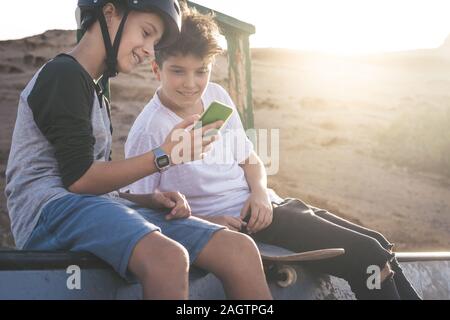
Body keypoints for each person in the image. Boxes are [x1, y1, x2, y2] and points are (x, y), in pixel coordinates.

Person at [124, 6, 422, 300]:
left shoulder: (215, 96)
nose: (191, 84)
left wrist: (260, 192)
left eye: (201, 71)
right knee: (367, 256)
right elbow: (141, 207)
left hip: (269, 205)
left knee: (380, 244)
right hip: (245, 225)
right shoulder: (151, 128)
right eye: (178, 71)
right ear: (156, 69)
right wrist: (207, 220)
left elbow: (250, 158)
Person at [5, 0, 272, 300]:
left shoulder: (95, 90)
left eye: (154, 41)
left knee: (238, 250)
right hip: (48, 211)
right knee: (168, 258)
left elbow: (94, 187)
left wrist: (148, 200)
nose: (148, 49)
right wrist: (164, 155)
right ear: (109, 13)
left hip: (91, 205)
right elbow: (78, 180)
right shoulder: (63, 75)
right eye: (145, 33)